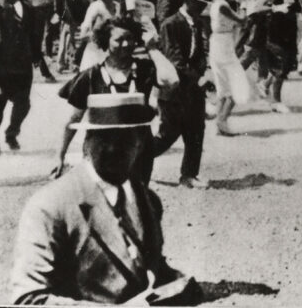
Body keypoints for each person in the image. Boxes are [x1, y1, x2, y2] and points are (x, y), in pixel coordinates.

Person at [12, 93, 201, 305]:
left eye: (126, 140)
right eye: (104, 138)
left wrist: (176, 285)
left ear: (140, 144)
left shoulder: (147, 201)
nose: (114, 149)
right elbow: (28, 299)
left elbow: (148, 268)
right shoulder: (50, 207)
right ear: (87, 142)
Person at [52, 17, 166, 182]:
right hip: (101, 151)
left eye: (130, 38)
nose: (126, 44)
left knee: (137, 202)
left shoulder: (144, 70)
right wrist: (59, 156)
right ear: (106, 41)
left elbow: (172, 81)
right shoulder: (91, 76)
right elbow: (73, 119)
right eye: (119, 40)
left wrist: (153, 50)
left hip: (138, 151)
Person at [155, 0, 213, 188]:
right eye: (197, 3)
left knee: (196, 132)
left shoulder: (197, 24)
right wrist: (198, 78)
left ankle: (189, 175)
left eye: (202, 4)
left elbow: (199, 55)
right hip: (175, 90)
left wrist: (205, 72)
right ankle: (137, 161)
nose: (199, 7)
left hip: (193, 89)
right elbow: (175, 60)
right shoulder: (171, 24)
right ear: (187, 0)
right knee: (168, 134)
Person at [0, 0, 38, 153]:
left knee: (23, 104)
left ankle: (12, 133)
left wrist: (36, 56)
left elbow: (34, 33)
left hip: (22, 64)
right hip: (0, 64)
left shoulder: (28, 8)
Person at [209, 0, 257, 135]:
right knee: (238, 84)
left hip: (219, 43)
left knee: (223, 86)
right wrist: (244, 4)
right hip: (223, 44)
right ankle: (222, 120)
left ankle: (220, 121)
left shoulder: (217, 3)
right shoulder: (223, 6)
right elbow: (242, 20)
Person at [261, 0, 300, 113]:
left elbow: (297, 4)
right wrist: (279, 8)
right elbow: (263, 7)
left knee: (288, 62)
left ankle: (265, 85)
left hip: (289, 28)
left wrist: (293, 8)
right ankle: (276, 101)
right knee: (280, 64)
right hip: (275, 29)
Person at [77, 0, 128, 70]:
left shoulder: (117, 7)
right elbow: (83, 34)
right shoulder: (96, 6)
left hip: (111, 53)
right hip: (94, 53)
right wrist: (100, 37)